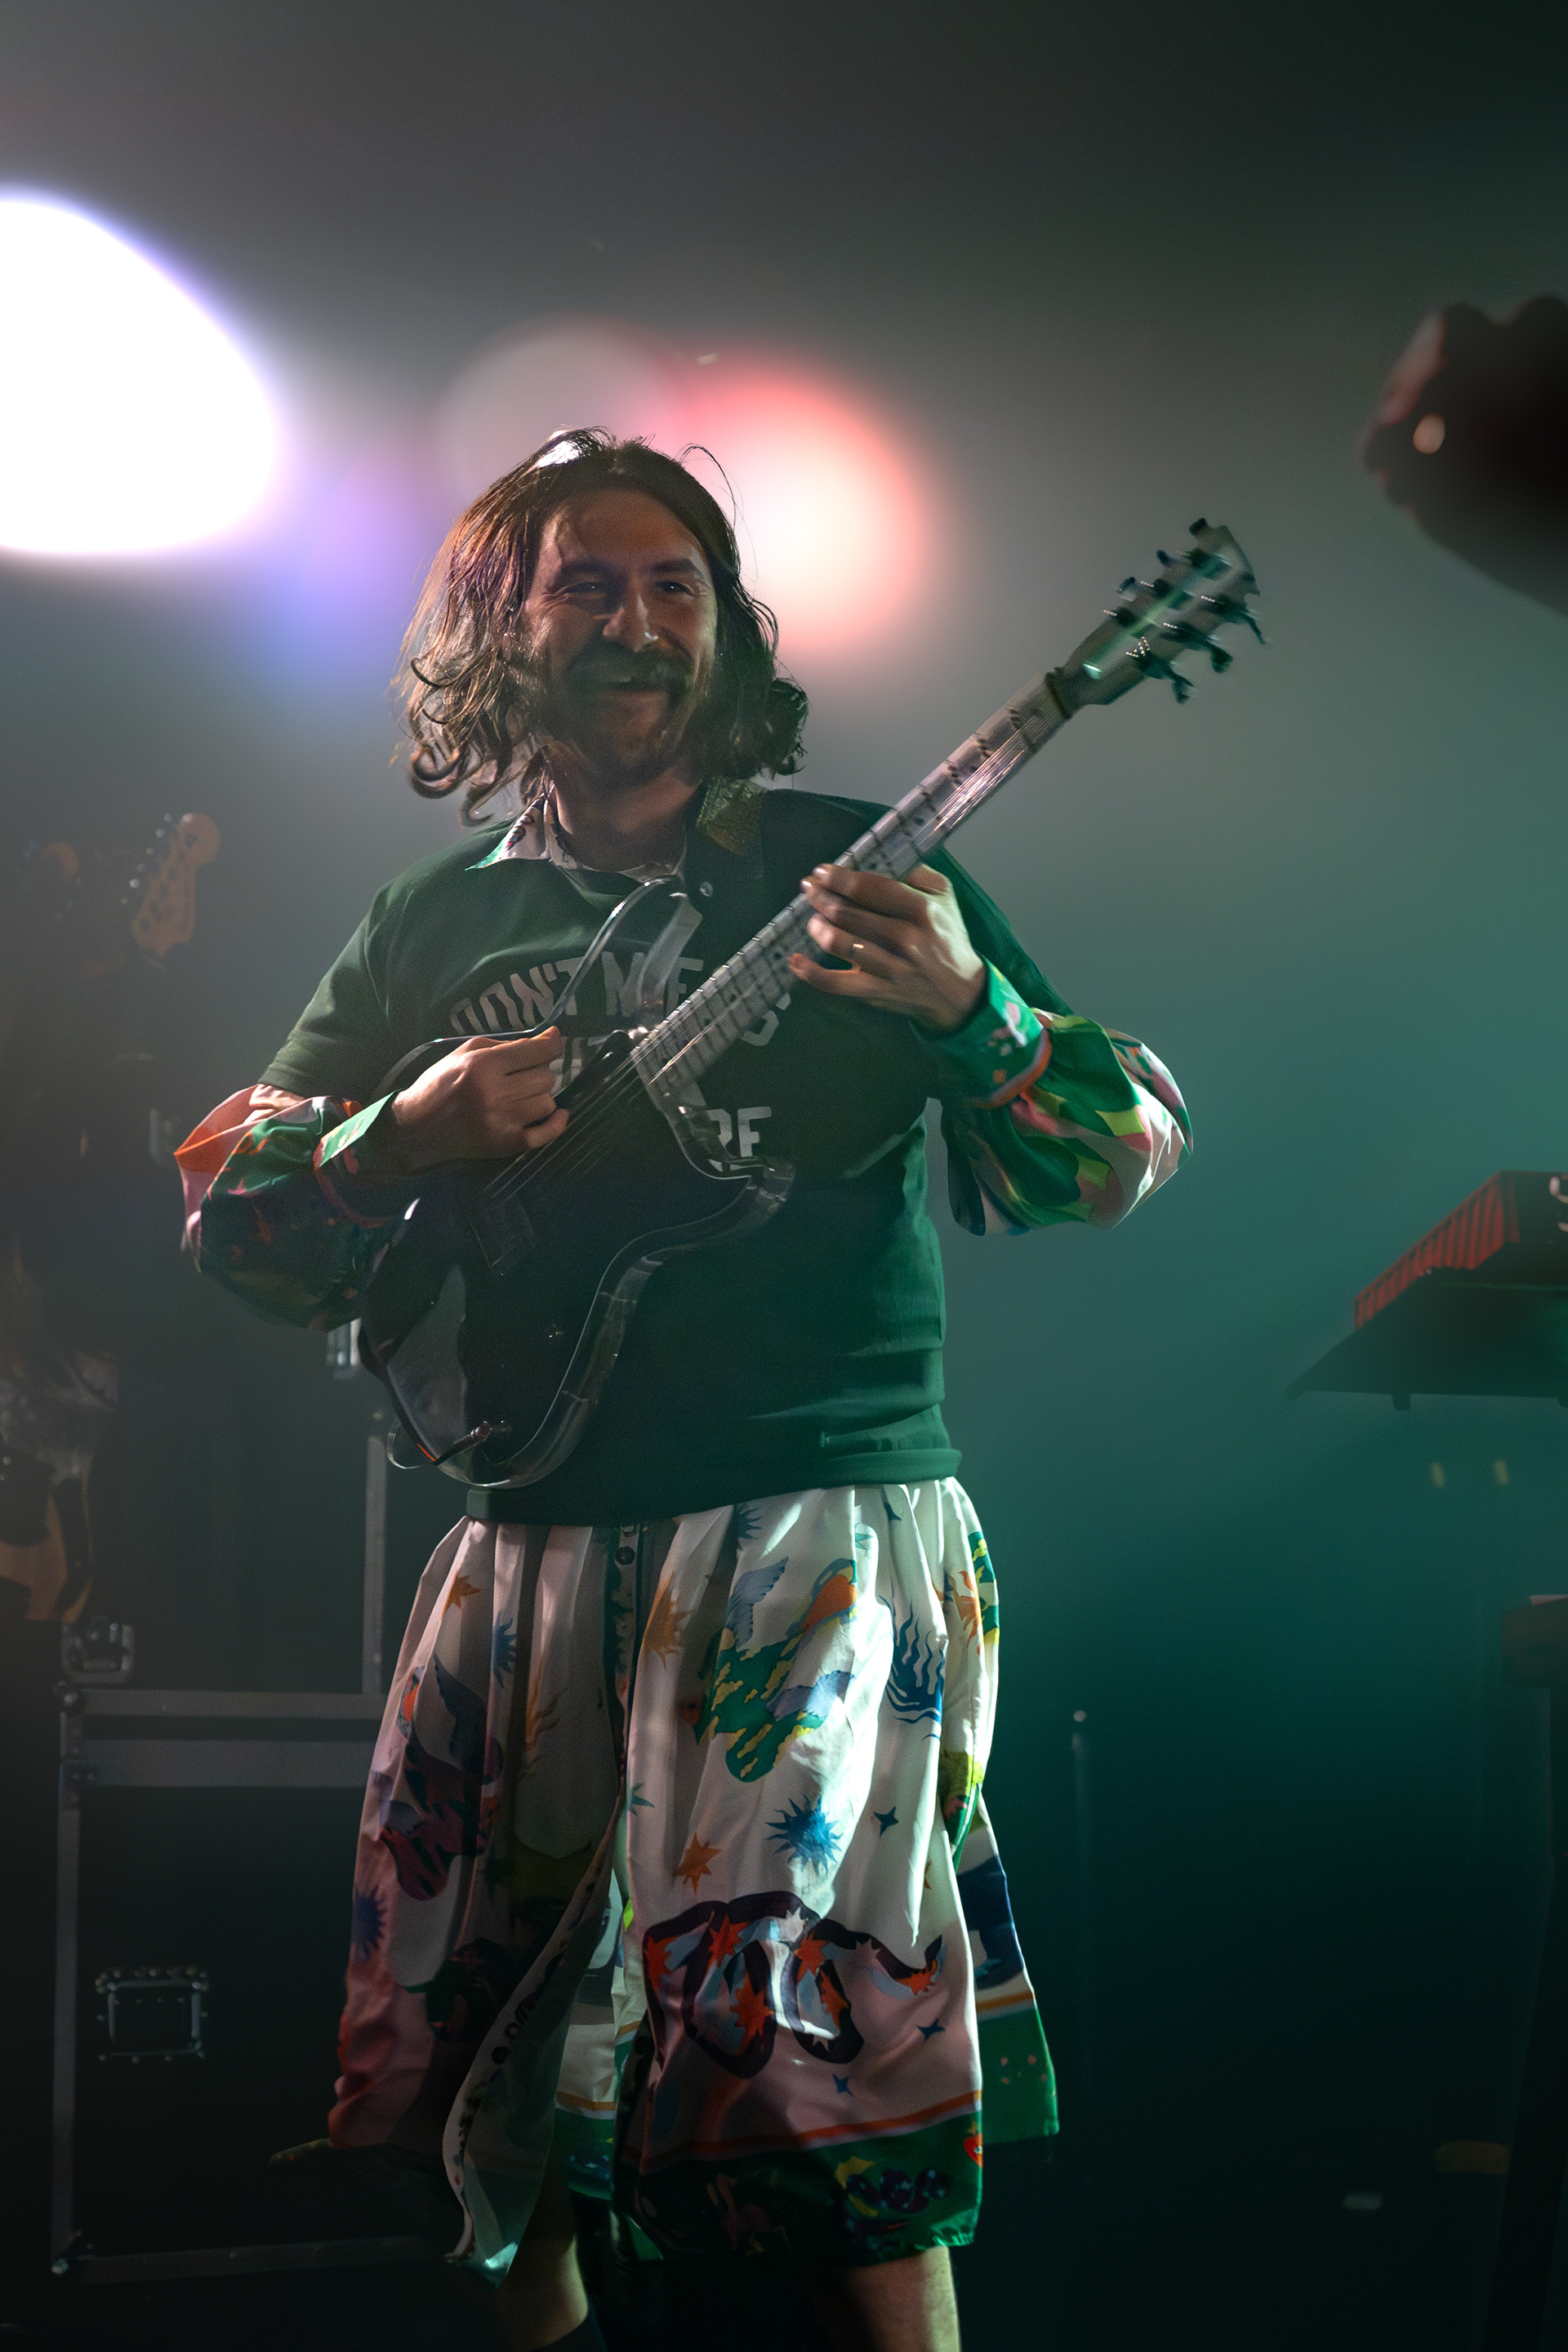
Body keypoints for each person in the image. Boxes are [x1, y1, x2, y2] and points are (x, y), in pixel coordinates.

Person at [176, 431, 1189, 2352]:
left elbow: (1112, 1159)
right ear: (499, 627)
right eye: (586, 584)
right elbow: (241, 1232)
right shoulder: (431, 925)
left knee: (821, 2067)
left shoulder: (862, 867)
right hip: (531, 1544)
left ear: (727, 629)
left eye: (674, 587)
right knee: (488, 2089)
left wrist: (971, 1014)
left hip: (816, 1532)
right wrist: (404, 1130)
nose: (636, 622)